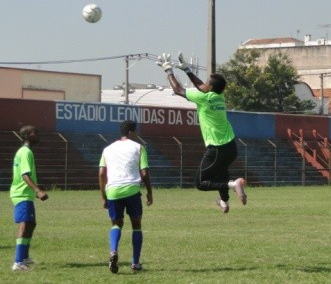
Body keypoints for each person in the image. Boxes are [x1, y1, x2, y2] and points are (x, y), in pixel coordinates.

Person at [157, 52, 246, 213]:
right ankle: (224, 201)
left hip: (217, 148)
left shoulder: (204, 98)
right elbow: (202, 86)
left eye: (207, 82)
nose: (204, 84)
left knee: (201, 182)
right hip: (231, 147)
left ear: (210, 87)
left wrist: (168, 70)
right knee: (221, 172)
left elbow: (178, 90)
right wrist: (187, 70)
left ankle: (234, 184)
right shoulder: (220, 95)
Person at [98, 120, 153, 273]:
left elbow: (102, 173)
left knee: (116, 224)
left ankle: (113, 251)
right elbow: (144, 172)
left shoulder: (107, 149)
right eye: (135, 131)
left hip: (113, 191)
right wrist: (149, 191)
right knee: (136, 225)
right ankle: (135, 263)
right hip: (132, 190)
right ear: (131, 132)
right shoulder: (139, 147)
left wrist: (103, 196)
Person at [10, 125, 49, 271]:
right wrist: (37, 190)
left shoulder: (24, 151)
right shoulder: (26, 152)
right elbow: (25, 175)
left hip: (25, 193)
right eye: (34, 132)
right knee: (25, 224)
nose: (37, 134)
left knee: (31, 224)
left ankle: (24, 257)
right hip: (22, 194)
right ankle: (18, 262)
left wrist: (36, 188)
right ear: (26, 136)